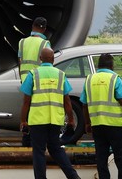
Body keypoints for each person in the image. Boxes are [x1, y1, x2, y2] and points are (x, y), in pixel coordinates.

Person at [19, 47, 81, 179]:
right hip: (55, 120)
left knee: (39, 152)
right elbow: (67, 101)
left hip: (37, 120)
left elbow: (26, 102)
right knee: (56, 149)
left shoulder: (33, 74)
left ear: (40, 59)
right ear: (53, 59)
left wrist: (23, 121)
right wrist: (71, 119)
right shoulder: (60, 75)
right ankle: (73, 176)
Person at [82, 53, 122, 179]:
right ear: (112, 65)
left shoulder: (89, 79)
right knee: (121, 158)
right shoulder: (114, 78)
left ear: (98, 65)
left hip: (97, 125)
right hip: (117, 126)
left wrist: (87, 123)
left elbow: (84, 105)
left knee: (101, 158)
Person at [18, 17, 51, 146]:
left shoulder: (22, 42)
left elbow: (20, 62)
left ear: (32, 26)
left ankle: (26, 136)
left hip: (25, 79)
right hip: (39, 79)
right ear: (45, 29)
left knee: (26, 106)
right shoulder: (44, 43)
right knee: (37, 110)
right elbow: (47, 61)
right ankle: (36, 138)